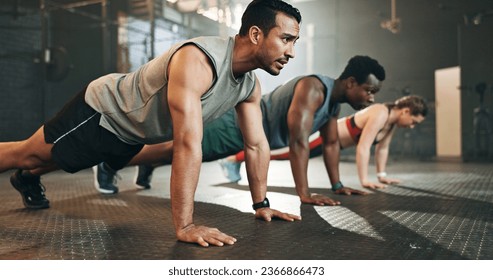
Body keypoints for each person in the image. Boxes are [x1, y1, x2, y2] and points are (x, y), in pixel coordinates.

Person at [0, 0, 302, 247]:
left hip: (130, 134)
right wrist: (185, 225)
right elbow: (186, 143)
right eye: (286, 39)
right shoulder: (198, 60)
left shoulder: (249, 85)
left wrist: (261, 204)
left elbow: (255, 143)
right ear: (255, 34)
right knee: (27, 153)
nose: (290, 52)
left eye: (294, 42)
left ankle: (26, 178)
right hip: (103, 112)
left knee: (65, 159)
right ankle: (26, 170)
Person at [96, 55, 386, 206]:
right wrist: (305, 195)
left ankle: (147, 163)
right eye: (369, 91)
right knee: (178, 149)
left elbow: (332, 145)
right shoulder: (313, 89)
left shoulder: (334, 105)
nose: (371, 98)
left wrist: (337, 186)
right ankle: (110, 161)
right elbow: (299, 143)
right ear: (350, 82)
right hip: (237, 125)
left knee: (191, 155)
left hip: (253, 136)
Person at [219, 95, 428, 189]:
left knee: (283, 155)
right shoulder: (381, 113)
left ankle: (233, 159)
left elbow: (382, 149)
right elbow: (364, 148)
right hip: (326, 137)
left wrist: (382, 176)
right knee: (282, 154)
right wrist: (364, 180)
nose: (411, 126)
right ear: (406, 111)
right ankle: (231, 159)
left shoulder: (390, 123)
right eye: (413, 121)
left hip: (335, 144)